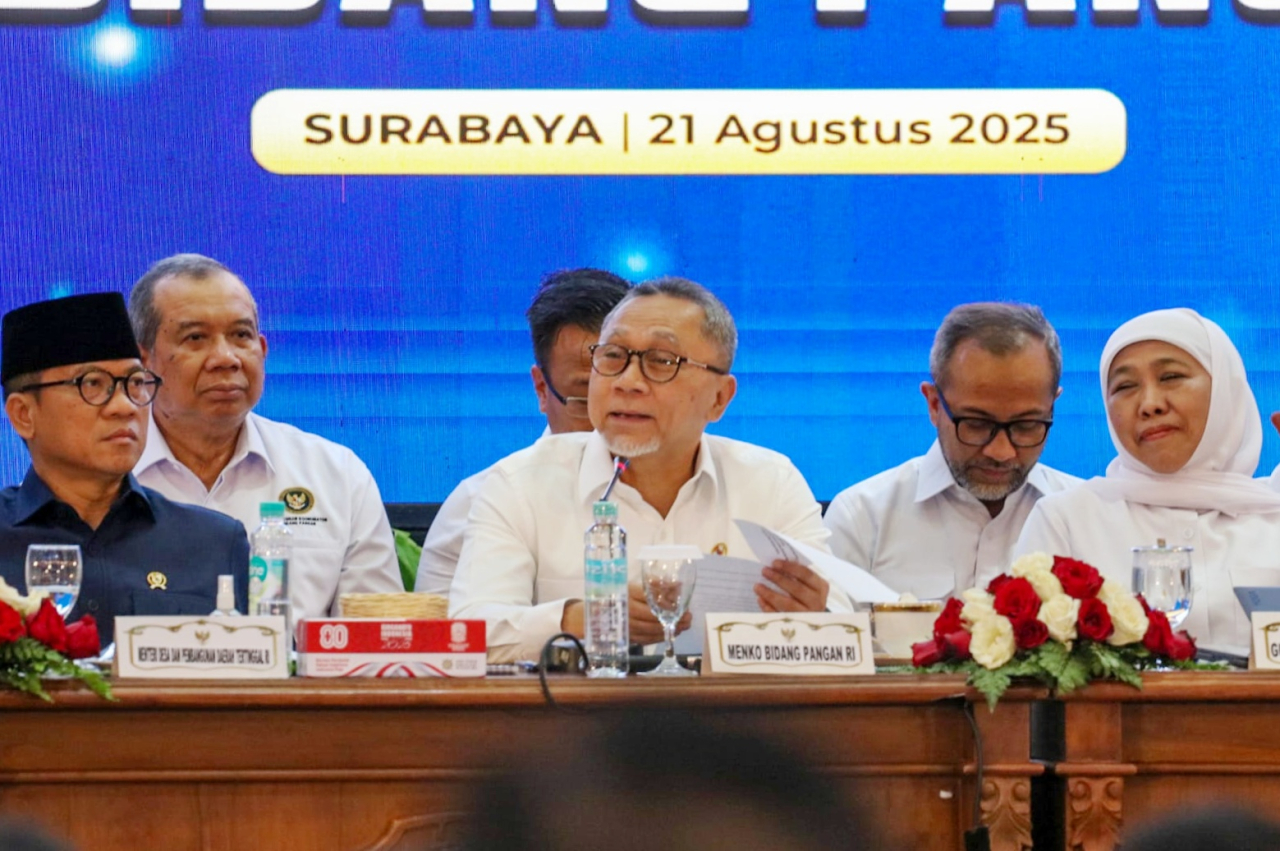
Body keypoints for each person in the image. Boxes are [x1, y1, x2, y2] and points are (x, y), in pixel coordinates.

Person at [448, 277, 835, 662]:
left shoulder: (772, 483)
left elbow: (847, 628)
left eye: (662, 362)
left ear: (719, 399)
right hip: (572, 721)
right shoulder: (519, 484)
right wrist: (582, 619)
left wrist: (816, 617)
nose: (627, 382)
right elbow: (469, 633)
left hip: (739, 720)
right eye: (613, 356)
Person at [127, 254, 401, 623]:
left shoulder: (336, 475)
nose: (226, 358)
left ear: (263, 349)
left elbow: (375, 640)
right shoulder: (103, 475)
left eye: (241, 336)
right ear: (143, 363)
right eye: (196, 338)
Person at [1014, 308, 1280, 654]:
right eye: (1125, 386)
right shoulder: (1067, 521)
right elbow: (1030, 670)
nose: (1150, 404)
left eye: (1170, 377)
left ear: (1226, 388)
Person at [0, 292, 248, 643]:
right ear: (24, 414)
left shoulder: (215, 542)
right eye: (93, 385)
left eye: (135, 384)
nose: (125, 407)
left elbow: (264, 683)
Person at [823, 303, 1079, 599]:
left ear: (1053, 406)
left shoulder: (1083, 518)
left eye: (1026, 425)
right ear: (933, 404)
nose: (1001, 451)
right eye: (977, 424)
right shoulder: (862, 520)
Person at [414, 268, 630, 595]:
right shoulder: (478, 503)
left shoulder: (691, 488)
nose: (614, 420)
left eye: (626, 393)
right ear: (542, 389)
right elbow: (447, 642)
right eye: (585, 399)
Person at [462, 709, 876, 851]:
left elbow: (841, 616)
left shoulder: (783, 504)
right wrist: (568, 618)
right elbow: (471, 624)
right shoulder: (514, 504)